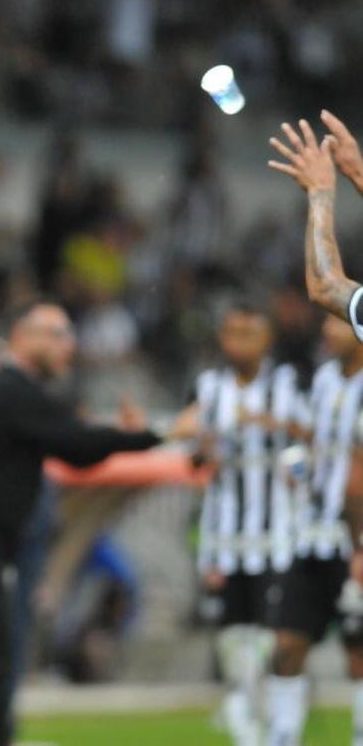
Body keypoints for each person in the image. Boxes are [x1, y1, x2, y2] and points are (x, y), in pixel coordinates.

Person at [0, 301, 165, 746]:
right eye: (57, 334)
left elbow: (75, 444)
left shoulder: (16, 392)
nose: (68, 346)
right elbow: (77, 444)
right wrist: (152, 437)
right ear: (22, 335)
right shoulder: (12, 388)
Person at [265, 114, 363, 746]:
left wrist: (329, 190)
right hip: (322, 529)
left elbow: (326, 283)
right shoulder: (326, 381)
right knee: (291, 646)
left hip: (354, 534)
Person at [170, 301, 304, 746]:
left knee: (273, 630)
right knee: (231, 630)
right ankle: (242, 708)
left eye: (248, 333)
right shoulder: (208, 386)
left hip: (277, 533)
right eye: (231, 333)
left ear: (266, 338)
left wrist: (267, 423)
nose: (237, 342)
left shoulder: (288, 383)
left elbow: (316, 437)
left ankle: (267, 711)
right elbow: (188, 444)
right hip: (225, 534)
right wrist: (199, 443)